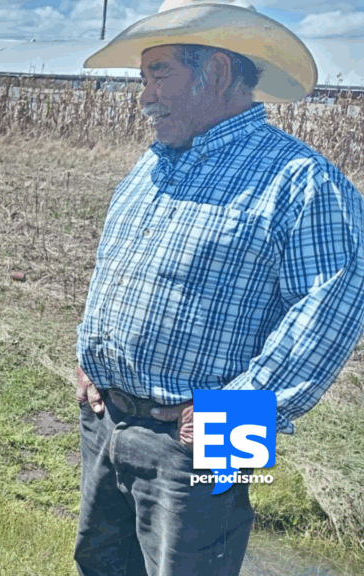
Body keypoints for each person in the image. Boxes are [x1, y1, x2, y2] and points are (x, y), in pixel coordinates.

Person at [74, 1, 364, 574]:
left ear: (220, 72)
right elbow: (114, 270)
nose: (145, 95)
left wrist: (233, 417)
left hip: (210, 433)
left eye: (160, 73)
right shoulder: (150, 166)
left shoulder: (302, 180)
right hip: (105, 420)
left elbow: (333, 307)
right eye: (142, 76)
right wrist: (88, 357)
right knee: (101, 562)